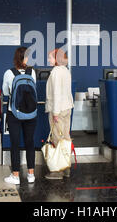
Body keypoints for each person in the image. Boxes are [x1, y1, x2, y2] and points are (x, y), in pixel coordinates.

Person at [2, 47, 37, 185]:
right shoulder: (32, 72)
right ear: (24, 57)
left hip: (14, 113)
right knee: (30, 142)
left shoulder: (9, 73)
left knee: (15, 143)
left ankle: (15, 175)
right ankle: (31, 174)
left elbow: (5, 92)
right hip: (31, 113)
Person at [44, 48, 74, 180]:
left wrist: (55, 112)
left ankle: (57, 171)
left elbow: (56, 93)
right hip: (67, 107)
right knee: (66, 138)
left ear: (56, 59)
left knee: (57, 139)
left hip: (59, 109)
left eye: (50, 57)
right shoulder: (66, 70)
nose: (48, 60)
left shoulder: (55, 72)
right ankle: (66, 167)